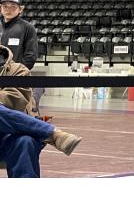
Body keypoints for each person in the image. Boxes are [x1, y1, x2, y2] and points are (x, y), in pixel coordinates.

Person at [1, 45, 81, 178]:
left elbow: (14, 99)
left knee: (25, 142)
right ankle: (51, 133)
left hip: (10, 135)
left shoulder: (18, 70)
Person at [0, 0, 42, 104]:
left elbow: (31, 56)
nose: (8, 9)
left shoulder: (27, 28)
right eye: (5, 6)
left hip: (16, 77)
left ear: (20, 10)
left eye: (13, 6)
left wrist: (17, 73)